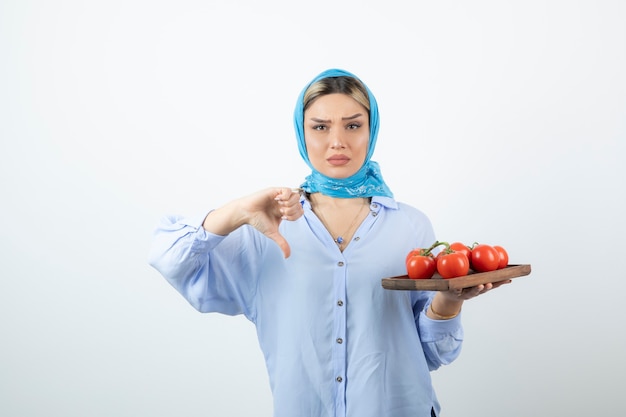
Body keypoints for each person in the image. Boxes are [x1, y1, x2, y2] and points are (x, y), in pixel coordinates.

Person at [148, 68, 503, 417]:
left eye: (353, 125)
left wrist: (448, 299)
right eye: (320, 127)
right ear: (302, 134)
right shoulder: (267, 228)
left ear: (372, 130)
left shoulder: (411, 226)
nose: (337, 141)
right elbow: (167, 257)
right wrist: (237, 210)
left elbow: (434, 354)